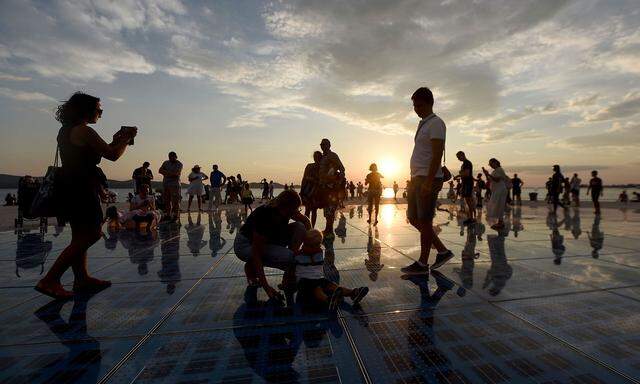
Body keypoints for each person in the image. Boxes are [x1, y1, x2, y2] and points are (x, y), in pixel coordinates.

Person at [36, 92, 137, 299]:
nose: (100, 113)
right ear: (87, 110)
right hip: (81, 188)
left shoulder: (67, 131)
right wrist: (126, 139)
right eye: (99, 109)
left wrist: (116, 140)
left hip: (71, 186)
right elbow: (112, 155)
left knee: (79, 235)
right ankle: (50, 280)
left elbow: (93, 153)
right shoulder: (85, 131)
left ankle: (81, 278)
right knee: (92, 234)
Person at [401, 87, 453, 275]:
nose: (416, 109)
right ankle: (442, 251)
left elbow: (437, 154)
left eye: (420, 105)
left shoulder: (436, 123)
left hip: (427, 178)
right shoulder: (423, 123)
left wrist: (429, 181)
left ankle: (423, 264)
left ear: (430, 103)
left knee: (424, 220)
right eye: (414, 105)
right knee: (414, 218)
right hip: (417, 178)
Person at [234, 190, 311, 300]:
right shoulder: (266, 216)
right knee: (289, 257)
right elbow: (256, 253)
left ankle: (288, 273)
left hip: (269, 238)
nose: (295, 212)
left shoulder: (285, 209)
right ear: (285, 207)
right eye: (294, 210)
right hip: (245, 245)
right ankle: (251, 268)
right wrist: (267, 288)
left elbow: (305, 222)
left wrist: (310, 246)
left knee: (300, 227)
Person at [296, 229, 369, 311]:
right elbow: (291, 270)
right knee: (317, 288)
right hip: (304, 283)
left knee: (331, 285)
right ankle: (327, 300)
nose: (304, 247)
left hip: (318, 279)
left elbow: (312, 257)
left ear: (318, 247)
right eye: (304, 244)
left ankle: (352, 293)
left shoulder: (317, 253)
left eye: (309, 245)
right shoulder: (299, 255)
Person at [318, 138, 346, 239]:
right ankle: (328, 229)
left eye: (324, 145)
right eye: (321, 145)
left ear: (329, 145)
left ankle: (329, 231)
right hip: (323, 187)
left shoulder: (333, 156)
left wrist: (338, 182)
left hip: (332, 187)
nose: (322, 146)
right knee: (326, 209)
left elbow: (342, 169)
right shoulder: (322, 157)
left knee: (330, 209)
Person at [483, 158, 508, 230]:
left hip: (500, 190)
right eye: (489, 164)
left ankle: (501, 222)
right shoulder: (495, 171)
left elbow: (497, 180)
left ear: (495, 162)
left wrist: (489, 175)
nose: (490, 165)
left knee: (499, 205)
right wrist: (486, 174)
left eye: (491, 164)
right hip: (496, 190)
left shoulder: (500, 169)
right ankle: (500, 222)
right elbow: (490, 180)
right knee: (496, 205)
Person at [159, 152, 183, 222]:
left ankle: (176, 215)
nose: (170, 158)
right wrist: (170, 173)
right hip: (166, 184)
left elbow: (176, 174)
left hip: (175, 185)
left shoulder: (179, 164)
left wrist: (165, 172)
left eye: (172, 156)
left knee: (175, 201)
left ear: (176, 156)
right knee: (167, 200)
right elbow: (160, 170)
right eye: (169, 156)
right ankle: (168, 215)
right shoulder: (166, 163)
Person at [301, 151, 322, 228]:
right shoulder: (309, 166)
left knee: (314, 210)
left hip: (317, 191)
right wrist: (302, 190)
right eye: (315, 157)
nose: (316, 158)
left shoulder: (322, 167)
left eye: (318, 157)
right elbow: (304, 178)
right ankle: (306, 227)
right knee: (307, 209)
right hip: (308, 190)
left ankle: (312, 227)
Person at [455, 151, 475, 223]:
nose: (458, 159)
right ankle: (470, 217)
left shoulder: (467, 163)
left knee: (469, 200)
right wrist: (460, 175)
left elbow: (467, 174)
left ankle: (471, 218)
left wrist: (459, 174)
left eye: (458, 157)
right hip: (465, 183)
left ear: (462, 155)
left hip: (468, 183)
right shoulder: (465, 164)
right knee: (468, 200)